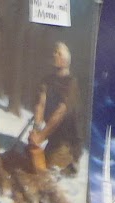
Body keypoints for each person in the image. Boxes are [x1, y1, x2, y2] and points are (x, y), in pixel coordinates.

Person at [30, 41, 80, 173]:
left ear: (66, 60)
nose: (55, 55)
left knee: (47, 172)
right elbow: (40, 104)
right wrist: (36, 130)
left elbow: (60, 113)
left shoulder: (71, 83)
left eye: (59, 53)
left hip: (65, 145)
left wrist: (41, 137)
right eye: (54, 52)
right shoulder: (47, 81)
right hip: (51, 141)